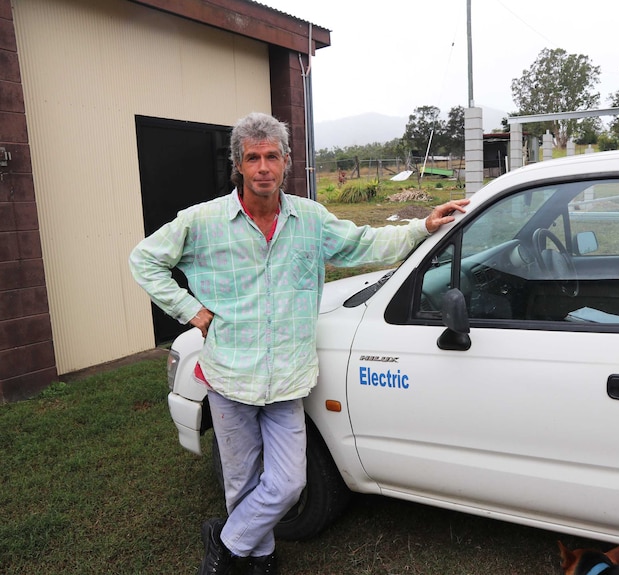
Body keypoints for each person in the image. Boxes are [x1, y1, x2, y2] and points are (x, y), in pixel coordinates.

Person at [129, 111, 468, 575]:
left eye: (272, 156)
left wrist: (421, 228)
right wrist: (192, 311)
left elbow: (364, 243)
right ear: (239, 166)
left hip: (287, 379)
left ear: (286, 162)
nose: (263, 167)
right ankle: (261, 556)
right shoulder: (203, 221)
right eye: (253, 158)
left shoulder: (309, 219)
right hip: (230, 377)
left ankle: (225, 545)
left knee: (288, 482)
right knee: (241, 479)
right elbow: (144, 260)